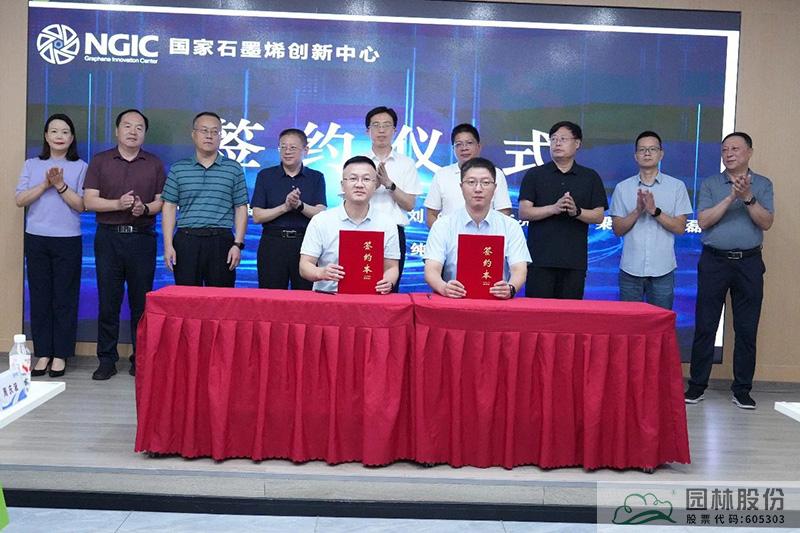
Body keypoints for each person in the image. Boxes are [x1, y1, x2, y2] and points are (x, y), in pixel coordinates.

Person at [685, 132, 774, 410]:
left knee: (746, 328)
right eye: (725, 149)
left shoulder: (762, 184)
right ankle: (697, 385)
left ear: (749, 152)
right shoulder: (711, 183)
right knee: (706, 324)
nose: (729, 153)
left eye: (735, 148)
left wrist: (747, 197)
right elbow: (703, 221)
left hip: (749, 263)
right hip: (714, 262)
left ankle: (742, 389)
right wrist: (731, 197)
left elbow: (766, 222)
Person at [84, 109, 166, 380]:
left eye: (139, 127)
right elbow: (89, 201)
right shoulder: (101, 161)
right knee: (108, 301)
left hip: (142, 238)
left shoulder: (154, 164)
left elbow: (161, 202)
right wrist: (118, 204)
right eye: (128, 126)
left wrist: (144, 209)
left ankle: (140, 359)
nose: (133, 131)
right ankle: (106, 359)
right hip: (109, 238)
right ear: (117, 130)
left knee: (141, 303)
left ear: (145, 133)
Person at [15, 113, 87, 378]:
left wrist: (60, 185)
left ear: (72, 138)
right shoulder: (32, 164)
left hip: (68, 240)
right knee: (40, 297)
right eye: (54, 131)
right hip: (37, 238)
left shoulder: (81, 166)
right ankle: (43, 353)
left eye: (65, 132)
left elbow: (81, 205)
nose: (59, 136)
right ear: (46, 136)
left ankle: (60, 355)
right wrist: (45, 183)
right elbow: (20, 200)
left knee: (65, 298)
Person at [518, 121, 607, 299]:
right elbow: (524, 212)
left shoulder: (590, 177)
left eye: (563, 139)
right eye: (553, 139)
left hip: (574, 262)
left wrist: (577, 212)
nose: (557, 143)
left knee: (569, 313)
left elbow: (598, 215)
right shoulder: (535, 175)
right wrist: (554, 208)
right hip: (540, 260)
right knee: (538, 312)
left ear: (577, 143)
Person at [161, 112, 249, 287]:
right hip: (187, 241)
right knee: (186, 297)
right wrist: (168, 245)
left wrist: (237, 244)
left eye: (215, 131)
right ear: (193, 134)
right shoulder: (179, 169)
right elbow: (169, 207)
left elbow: (241, 208)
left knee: (220, 298)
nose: (209, 136)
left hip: (221, 242)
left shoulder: (234, 169)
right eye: (204, 130)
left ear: (220, 136)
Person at [424, 157, 530, 299]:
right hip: (453, 301)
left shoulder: (511, 226)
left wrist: (510, 288)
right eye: (471, 182)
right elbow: (431, 270)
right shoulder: (443, 225)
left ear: (495, 188)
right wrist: (444, 288)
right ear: (461, 187)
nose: (478, 189)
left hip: (497, 302)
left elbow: (519, 269)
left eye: (485, 182)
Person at [609, 131, 692, 309]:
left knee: (661, 322)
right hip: (630, 269)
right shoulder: (623, 188)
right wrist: (637, 211)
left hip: (663, 269)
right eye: (642, 149)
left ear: (661, 154)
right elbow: (617, 229)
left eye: (652, 149)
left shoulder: (677, 187)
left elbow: (680, 228)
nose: (647, 153)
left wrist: (655, 211)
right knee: (629, 322)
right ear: (635, 156)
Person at [299, 156, 399, 294]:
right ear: (342, 185)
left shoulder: (387, 223)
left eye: (366, 179)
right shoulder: (321, 220)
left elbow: (392, 267)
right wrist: (320, 272)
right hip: (328, 297)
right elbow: (304, 266)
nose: (359, 184)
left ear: (375, 185)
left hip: (371, 298)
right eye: (353, 179)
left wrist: (388, 281)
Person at [251, 128, 326, 289]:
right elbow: (257, 216)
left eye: (293, 147)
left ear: (306, 150)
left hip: (306, 245)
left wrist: (300, 206)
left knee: (306, 297)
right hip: (272, 244)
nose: (287, 151)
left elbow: (321, 213)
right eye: (283, 147)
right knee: (271, 297)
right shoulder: (265, 176)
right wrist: (285, 207)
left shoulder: (316, 177)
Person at [363, 106, 422, 291]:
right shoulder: (358, 162)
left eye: (386, 125)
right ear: (367, 131)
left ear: (395, 130)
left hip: (394, 232)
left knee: (389, 289)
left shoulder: (406, 163)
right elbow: (348, 200)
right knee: (358, 286)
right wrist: (373, 185)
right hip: (361, 230)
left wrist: (389, 185)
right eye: (376, 125)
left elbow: (410, 204)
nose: (381, 130)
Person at [425, 123, 512, 228]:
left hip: (487, 236)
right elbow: (431, 214)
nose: (464, 148)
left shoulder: (495, 174)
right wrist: (443, 235)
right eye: (459, 144)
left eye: (469, 143)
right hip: (450, 236)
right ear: (453, 149)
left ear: (479, 146)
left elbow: (503, 212)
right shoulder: (442, 175)